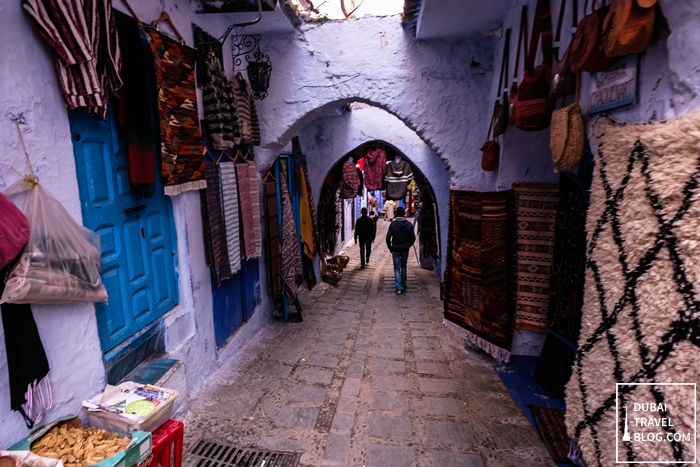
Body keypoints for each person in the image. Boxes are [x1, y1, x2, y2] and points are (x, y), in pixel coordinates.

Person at [385, 207, 415, 295]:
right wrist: (408, 245)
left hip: (396, 249)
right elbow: (413, 238)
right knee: (404, 266)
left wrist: (390, 247)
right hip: (405, 249)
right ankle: (403, 283)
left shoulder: (393, 225)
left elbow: (387, 238)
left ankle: (398, 287)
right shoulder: (409, 225)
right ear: (404, 214)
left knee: (397, 268)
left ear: (397, 214)